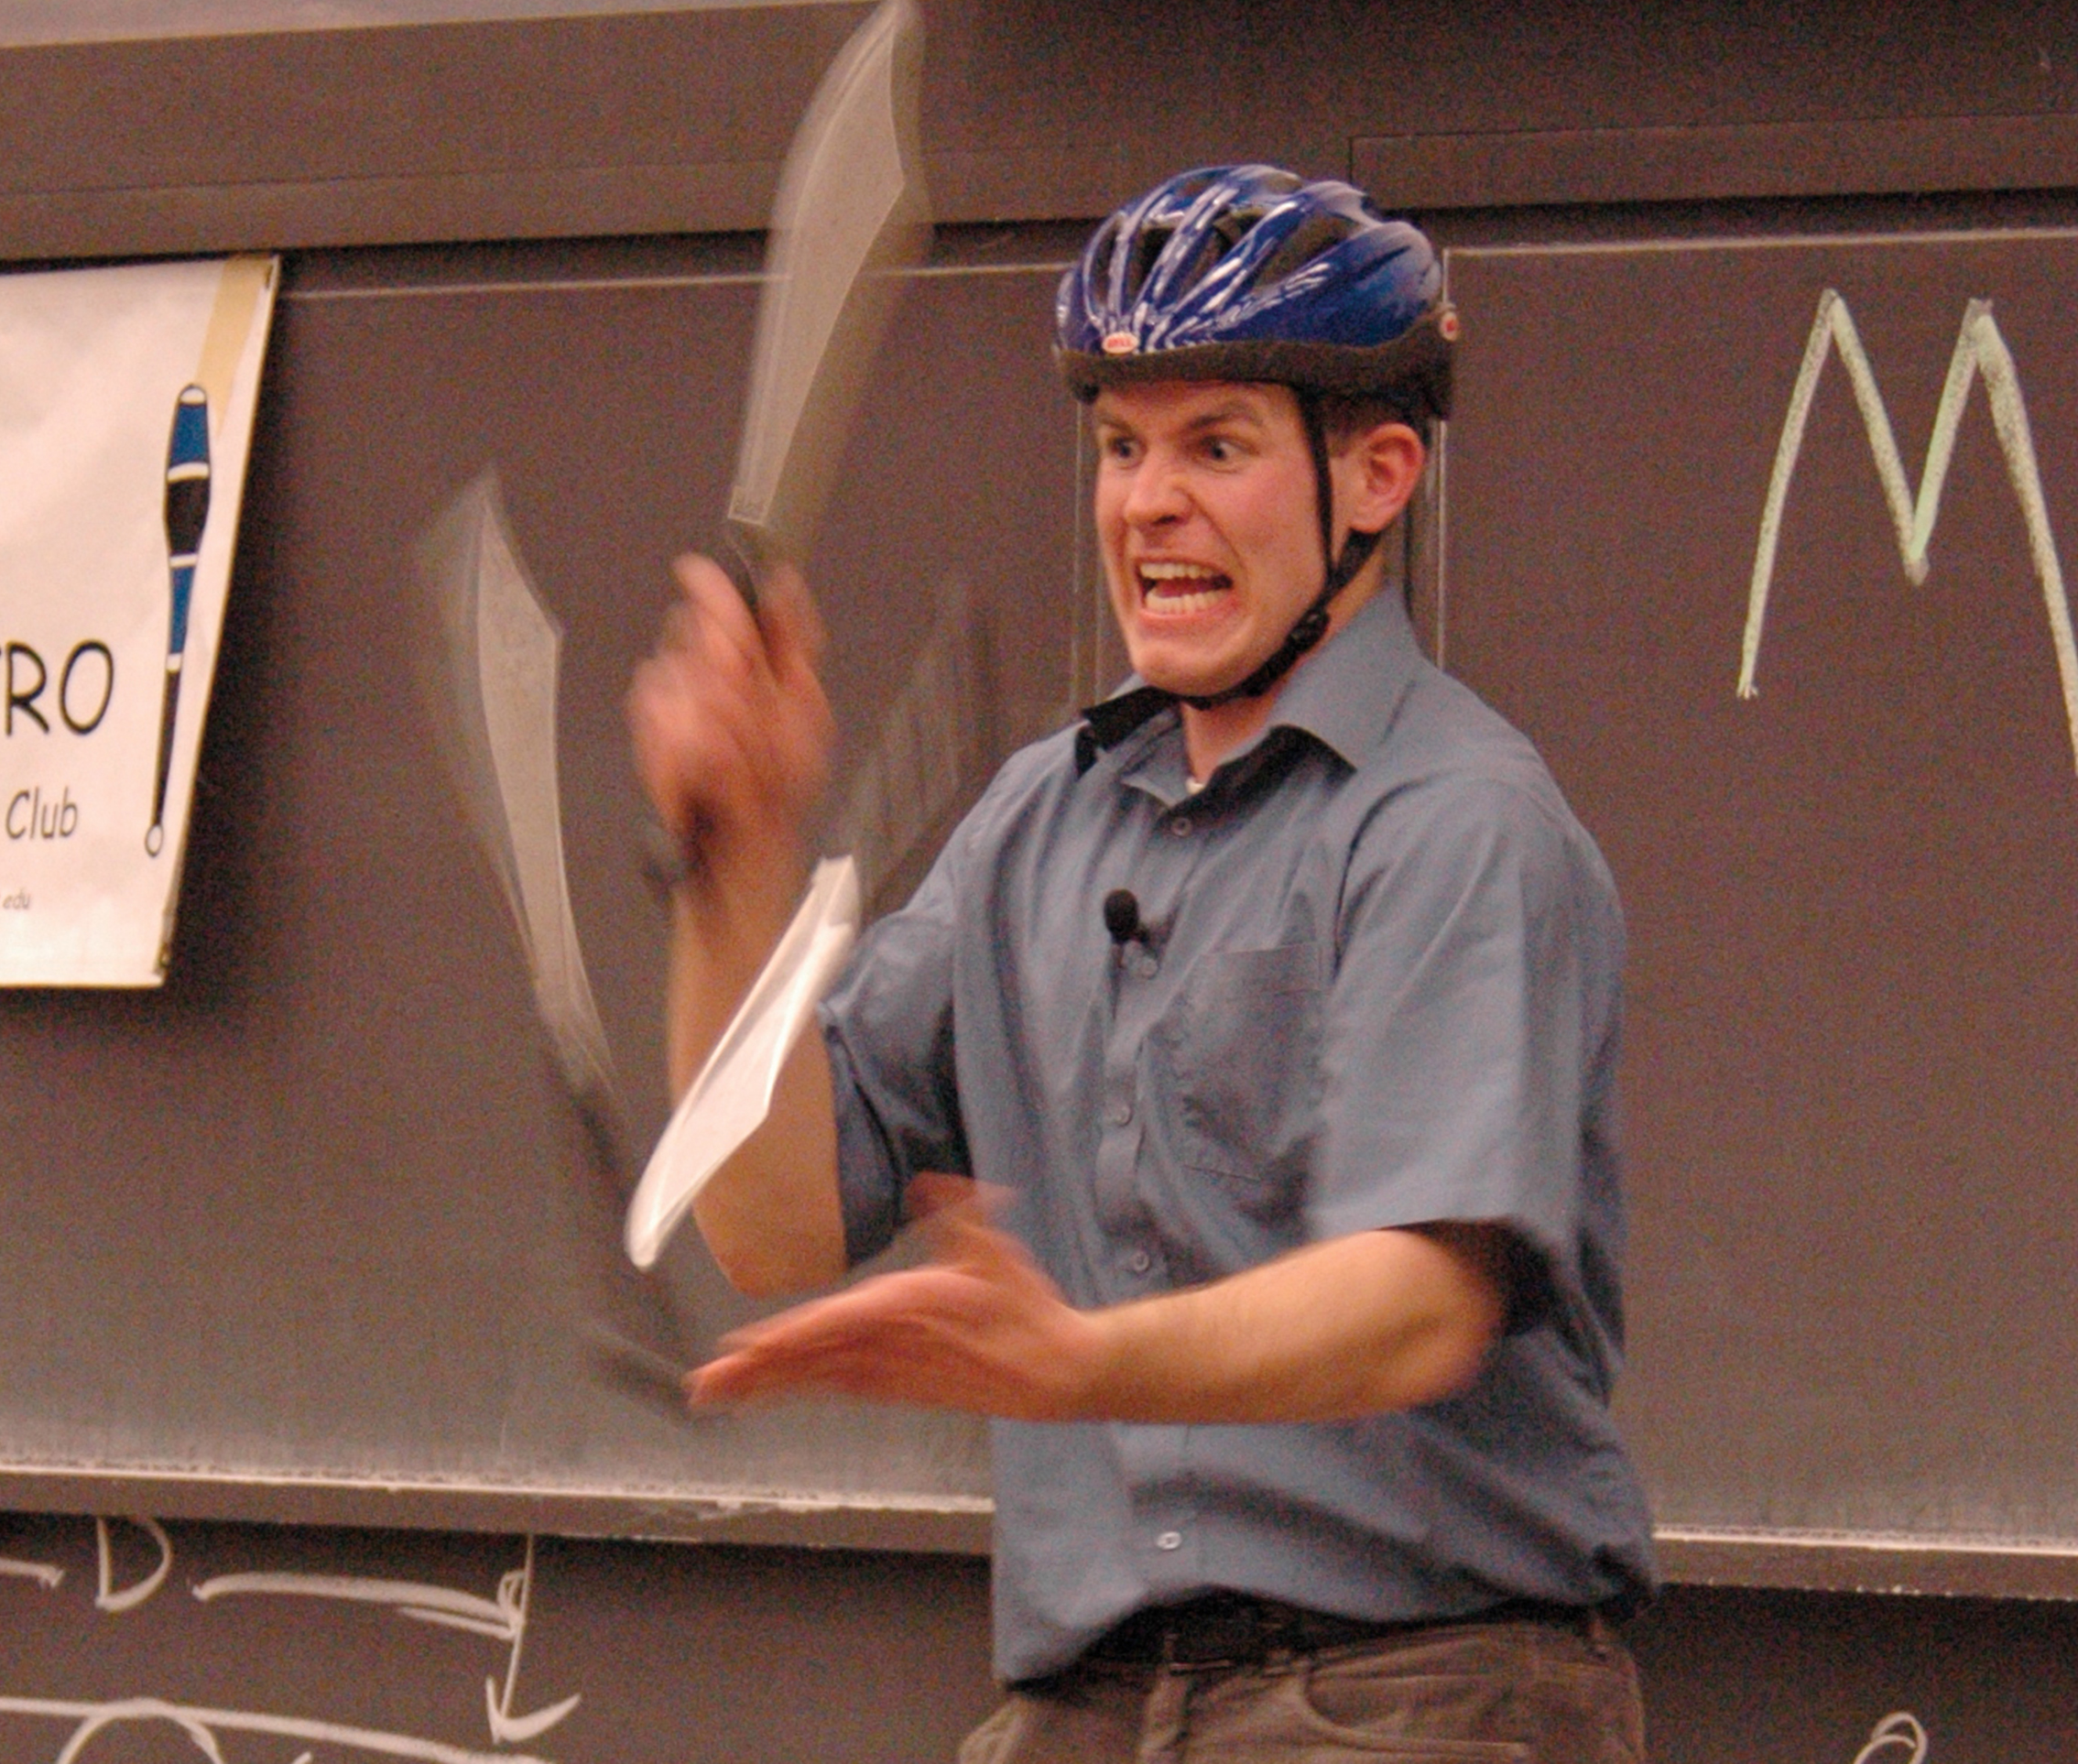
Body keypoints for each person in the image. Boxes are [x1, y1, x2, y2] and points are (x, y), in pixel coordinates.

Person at [628, 166, 1655, 1763]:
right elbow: (763, 1221)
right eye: (1119, 446)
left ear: (1377, 474)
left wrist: (1083, 1363)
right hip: (1091, 1703)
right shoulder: (1039, 818)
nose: (1144, 502)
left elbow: (1419, 1308)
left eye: (1216, 447)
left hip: (1416, 1694)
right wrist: (732, 858)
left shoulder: (1456, 823)